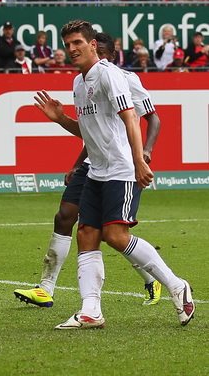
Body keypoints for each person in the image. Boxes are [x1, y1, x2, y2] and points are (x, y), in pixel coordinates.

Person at [30, 20, 194, 329]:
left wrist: (139, 160)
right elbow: (89, 132)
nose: (72, 49)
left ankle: (176, 285)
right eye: (68, 45)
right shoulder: (79, 82)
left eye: (78, 42)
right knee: (86, 235)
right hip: (96, 171)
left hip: (121, 168)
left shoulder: (110, 75)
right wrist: (60, 118)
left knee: (115, 236)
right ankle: (91, 310)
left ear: (92, 44)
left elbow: (131, 117)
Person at [16, 31, 163, 310]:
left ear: (106, 54)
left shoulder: (124, 78)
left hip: (118, 162)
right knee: (65, 216)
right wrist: (76, 163)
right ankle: (46, 288)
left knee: (109, 233)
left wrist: (144, 154)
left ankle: (151, 278)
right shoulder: (82, 80)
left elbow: (151, 119)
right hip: (92, 162)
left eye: (103, 55)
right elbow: (92, 131)